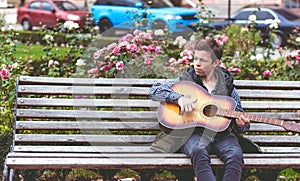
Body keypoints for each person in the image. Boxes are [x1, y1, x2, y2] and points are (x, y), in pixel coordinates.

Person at [148, 38, 251, 181]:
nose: (197, 63)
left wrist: (242, 125)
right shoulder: (186, 80)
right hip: (194, 133)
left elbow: (239, 115)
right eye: (195, 58)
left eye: (203, 60)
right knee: (198, 150)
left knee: (235, 155)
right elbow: (155, 90)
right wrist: (179, 98)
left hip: (222, 135)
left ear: (216, 63)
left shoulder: (227, 85)